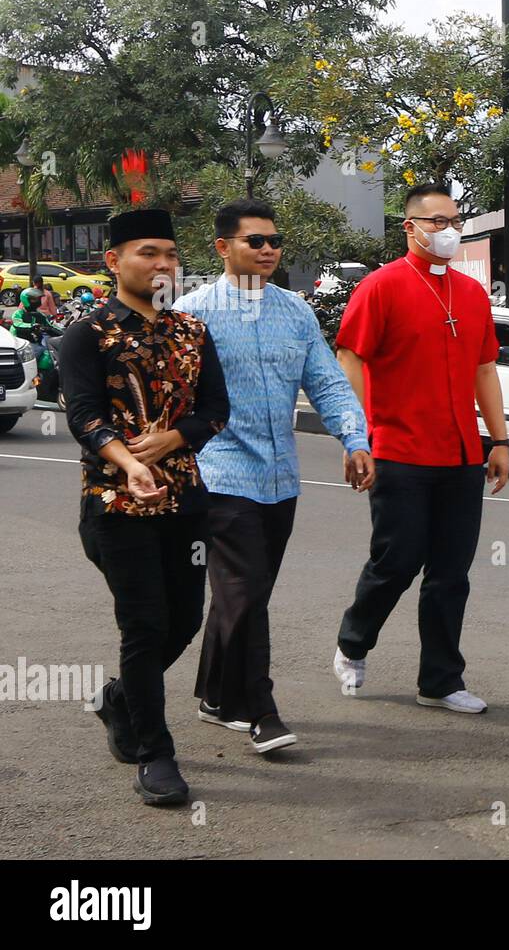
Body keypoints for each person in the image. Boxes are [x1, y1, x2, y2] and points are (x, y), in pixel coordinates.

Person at [175, 199, 374, 754]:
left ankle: (215, 697)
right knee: (245, 589)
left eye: (274, 241)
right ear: (223, 247)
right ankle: (261, 709)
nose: (268, 250)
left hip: (281, 479)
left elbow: (329, 385)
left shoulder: (296, 312)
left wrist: (354, 438)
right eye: (254, 241)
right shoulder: (192, 314)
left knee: (244, 593)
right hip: (219, 473)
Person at [59, 208, 230, 805]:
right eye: (147, 253)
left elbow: (214, 409)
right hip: (114, 505)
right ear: (114, 261)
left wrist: (175, 439)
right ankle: (156, 754)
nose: (162, 265)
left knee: (184, 621)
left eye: (170, 256)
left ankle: (120, 700)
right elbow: (83, 413)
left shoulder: (193, 333)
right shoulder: (86, 335)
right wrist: (131, 464)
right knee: (144, 624)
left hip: (185, 503)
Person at [332, 182, 509, 712]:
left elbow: (485, 369)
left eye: (455, 220)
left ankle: (440, 680)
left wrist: (498, 440)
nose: (448, 230)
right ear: (409, 227)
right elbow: (351, 359)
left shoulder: (473, 293)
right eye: (436, 222)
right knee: (396, 561)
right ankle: (353, 642)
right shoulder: (381, 287)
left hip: (460, 454)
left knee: (451, 573)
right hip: (398, 450)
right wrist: (356, 435)